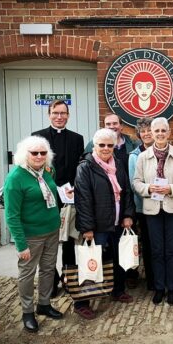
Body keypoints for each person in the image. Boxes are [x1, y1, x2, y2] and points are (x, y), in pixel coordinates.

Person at [74, 128, 136, 319]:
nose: (106, 148)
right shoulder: (86, 167)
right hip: (97, 225)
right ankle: (82, 302)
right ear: (94, 145)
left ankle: (117, 290)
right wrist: (87, 228)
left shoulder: (117, 164)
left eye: (110, 145)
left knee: (118, 258)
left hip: (117, 222)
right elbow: (82, 199)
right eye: (102, 145)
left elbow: (126, 192)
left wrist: (127, 215)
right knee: (91, 261)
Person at [4, 135, 63, 332]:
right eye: (34, 153)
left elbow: (50, 192)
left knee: (48, 269)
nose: (39, 156)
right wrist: (21, 245)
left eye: (43, 152)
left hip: (52, 231)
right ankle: (27, 312)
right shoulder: (15, 178)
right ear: (24, 154)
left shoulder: (47, 171)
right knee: (27, 274)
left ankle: (44, 304)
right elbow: (12, 216)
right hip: (31, 235)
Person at [133, 117, 173, 305]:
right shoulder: (143, 157)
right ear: (151, 132)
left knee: (172, 251)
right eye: (156, 131)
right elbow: (136, 183)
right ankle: (159, 288)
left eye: (163, 131)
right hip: (152, 209)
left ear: (169, 133)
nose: (159, 134)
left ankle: (172, 288)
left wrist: (171, 190)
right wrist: (149, 189)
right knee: (157, 250)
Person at [32, 99, 84, 297]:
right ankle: (51, 281)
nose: (60, 117)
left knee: (69, 240)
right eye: (56, 113)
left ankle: (69, 279)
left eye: (63, 113)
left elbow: (79, 168)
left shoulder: (77, 138)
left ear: (68, 115)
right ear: (49, 114)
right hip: (46, 197)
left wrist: (76, 189)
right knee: (48, 241)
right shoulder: (38, 137)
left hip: (69, 196)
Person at [127, 117, 155, 290]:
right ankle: (151, 280)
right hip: (143, 207)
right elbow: (133, 183)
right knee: (148, 245)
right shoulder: (134, 156)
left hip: (163, 206)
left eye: (148, 130)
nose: (146, 134)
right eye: (142, 131)